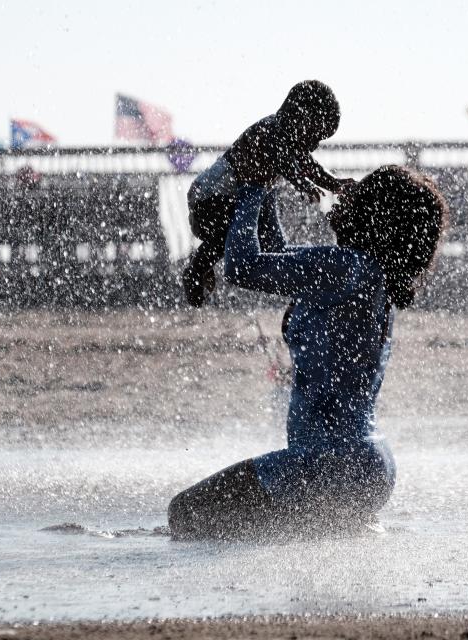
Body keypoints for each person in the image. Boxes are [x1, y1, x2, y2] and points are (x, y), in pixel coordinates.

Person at [168, 165, 449, 541]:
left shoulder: (346, 268)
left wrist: (251, 185)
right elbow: (274, 254)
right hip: (366, 467)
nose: (347, 193)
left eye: (360, 190)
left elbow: (243, 267)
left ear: (373, 211)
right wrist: (267, 189)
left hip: (329, 463)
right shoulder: (364, 274)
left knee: (185, 515)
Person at [181, 80, 355, 307]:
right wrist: (301, 184)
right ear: (299, 118)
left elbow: (308, 164)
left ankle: (308, 285)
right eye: (314, 135)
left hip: (253, 193)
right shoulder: (271, 130)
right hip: (215, 196)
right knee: (226, 236)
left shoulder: (290, 137)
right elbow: (282, 160)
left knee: (275, 250)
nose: (314, 145)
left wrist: (333, 183)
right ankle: (196, 268)